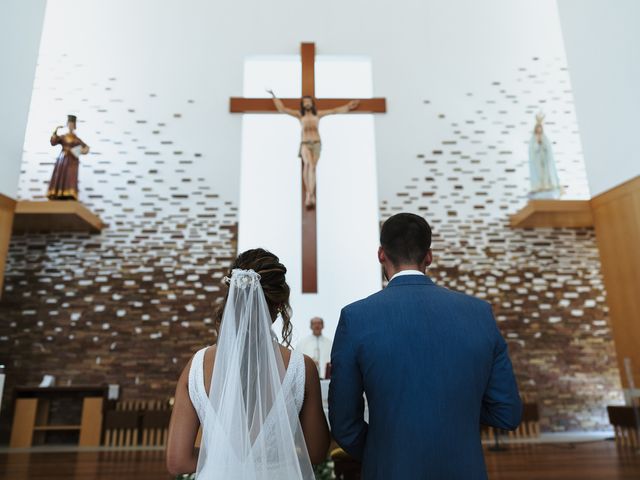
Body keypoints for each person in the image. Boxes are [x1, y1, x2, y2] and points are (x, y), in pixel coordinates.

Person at [329, 213, 521, 480]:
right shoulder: (479, 313)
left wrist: (383, 452)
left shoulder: (356, 317)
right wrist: (455, 409)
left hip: (389, 470)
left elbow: (343, 423)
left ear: (381, 254)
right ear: (428, 256)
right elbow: (507, 413)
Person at [166, 249, 330, 478]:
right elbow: (316, 452)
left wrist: (220, 460)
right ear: (279, 306)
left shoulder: (197, 366)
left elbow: (178, 461)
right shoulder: (301, 367)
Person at [267, 89, 359, 209]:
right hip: (305, 143)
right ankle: (309, 194)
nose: (307, 103)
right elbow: (282, 109)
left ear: (312, 103)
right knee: (308, 164)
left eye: (309, 101)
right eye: (305, 102)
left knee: (313, 167)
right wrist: (274, 96)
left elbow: (334, 111)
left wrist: (348, 106)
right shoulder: (300, 115)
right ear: (303, 104)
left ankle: (310, 194)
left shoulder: (318, 114)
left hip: (316, 143)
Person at [48, 115, 90, 200]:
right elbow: (53, 142)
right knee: (60, 175)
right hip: (62, 159)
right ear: (67, 124)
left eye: (72, 124)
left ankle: (70, 193)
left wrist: (79, 151)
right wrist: (55, 131)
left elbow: (86, 148)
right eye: (69, 123)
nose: (71, 126)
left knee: (70, 176)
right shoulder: (63, 137)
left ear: (74, 126)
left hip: (72, 161)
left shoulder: (77, 139)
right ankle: (58, 193)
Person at [528, 113, 562, 199]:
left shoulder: (545, 138)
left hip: (545, 160)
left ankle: (547, 185)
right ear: (536, 130)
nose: (539, 132)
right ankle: (540, 186)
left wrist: (543, 145)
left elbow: (548, 148)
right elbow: (533, 150)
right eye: (538, 131)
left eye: (540, 130)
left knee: (546, 173)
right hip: (537, 161)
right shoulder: (533, 139)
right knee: (540, 174)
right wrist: (537, 144)